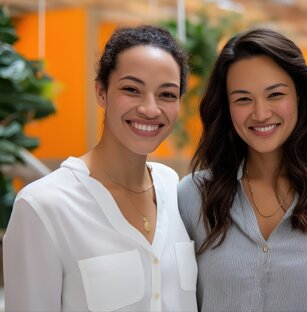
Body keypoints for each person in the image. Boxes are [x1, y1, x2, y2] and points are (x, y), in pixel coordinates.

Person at [3, 25, 198, 311]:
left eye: (167, 94)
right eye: (132, 89)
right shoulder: (44, 205)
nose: (150, 109)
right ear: (101, 92)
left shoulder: (175, 188)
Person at [178, 28, 307, 311]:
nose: (260, 113)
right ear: (227, 107)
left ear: (299, 96)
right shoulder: (192, 196)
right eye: (243, 99)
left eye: (275, 94)